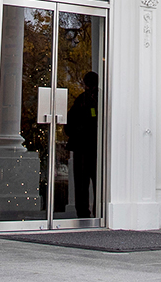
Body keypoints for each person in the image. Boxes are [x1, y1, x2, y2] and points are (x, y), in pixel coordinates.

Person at [65, 71, 99, 219]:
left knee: (82, 184)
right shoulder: (86, 100)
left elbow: (69, 124)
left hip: (87, 148)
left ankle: (85, 213)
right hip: (92, 148)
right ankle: (92, 213)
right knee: (89, 183)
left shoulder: (83, 100)